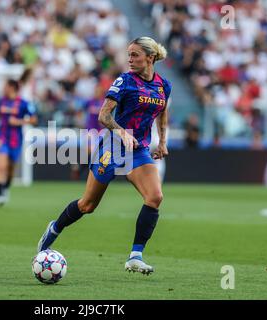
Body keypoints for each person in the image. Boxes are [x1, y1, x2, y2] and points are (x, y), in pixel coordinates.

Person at [37, 36, 172, 275]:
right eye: (128, 54)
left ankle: (135, 256)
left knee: (155, 196)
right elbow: (103, 116)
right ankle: (55, 228)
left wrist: (162, 141)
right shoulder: (125, 81)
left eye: (135, 55)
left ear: (150, 58)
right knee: (87, 205)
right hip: (112, 146)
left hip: (137, 150)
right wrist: (122, 133)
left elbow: (162, 113)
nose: (129, 59)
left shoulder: (164, 85)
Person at [0, 79, 37, 206]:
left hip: (15, 139)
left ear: (12, 88)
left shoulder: (24, 103)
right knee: (1, 166)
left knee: (10, 169)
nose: (4, 88)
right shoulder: (1, 101)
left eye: (6, 86)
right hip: (1, 136)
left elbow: (34, 119)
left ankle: (6, 187)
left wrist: (19, 122)